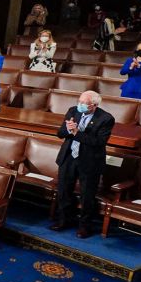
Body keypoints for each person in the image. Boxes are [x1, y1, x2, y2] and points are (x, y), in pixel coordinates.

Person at [52, 90, 114, 238]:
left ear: (94, 105)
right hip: (68, 157)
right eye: (79, 101)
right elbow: (60, 133)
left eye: (83, 103)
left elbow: (99, 142)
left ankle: (84, 227)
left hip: (90, 161)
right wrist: (67, 129)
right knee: (64, 191)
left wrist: (76, 133)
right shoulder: (73, 111)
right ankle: (63, 220)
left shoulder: (106, 118)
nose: (79, 105)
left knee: (87, 196)